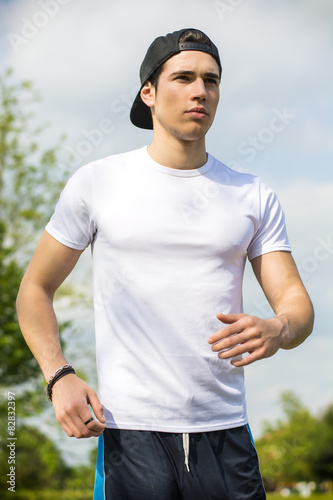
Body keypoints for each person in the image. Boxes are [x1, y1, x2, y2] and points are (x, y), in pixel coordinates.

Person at [16, 28, 314, 500]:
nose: (200, 91)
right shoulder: (97, 183)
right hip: (130, 434)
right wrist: (59, 376)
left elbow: (296, 304)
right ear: (149, 93)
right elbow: (34, 290)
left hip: (226, 433)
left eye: (211, 81)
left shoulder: (253, 193)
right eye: (185, 77)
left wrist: (278, 329)